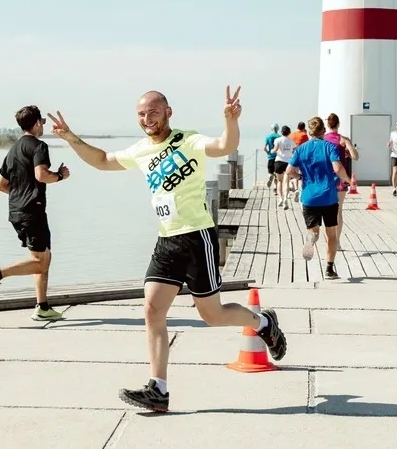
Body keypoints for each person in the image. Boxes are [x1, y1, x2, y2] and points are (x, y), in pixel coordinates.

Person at [48, 87, 287, 412]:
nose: (147, 119)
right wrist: (70, 138)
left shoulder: (187, 141)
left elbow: (225, 145)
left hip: (196, 236)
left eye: (153, 112)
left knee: (211, 315)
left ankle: (263, 324)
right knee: (152, 310)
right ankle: (158, 389)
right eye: (142, 115)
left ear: (168, 112)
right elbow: (102, 161)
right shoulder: (141, 150)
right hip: (166, 240)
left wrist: (230, 121)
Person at [0, 105, 70, 321]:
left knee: (43, 256)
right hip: (33, 211)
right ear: (38, 122)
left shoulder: (13, 149)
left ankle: (42, 306)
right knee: (41, 262)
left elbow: (0, 184)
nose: (44, 126)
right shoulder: (39, 146)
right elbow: (41, 175)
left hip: (17, 211)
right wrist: (60, 175)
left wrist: (20, 195)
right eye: (43, 122)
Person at [286, 116, 350, 280]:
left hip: (309, 197)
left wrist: (301, 177)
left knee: (314, 231)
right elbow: (337, 168)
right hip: (329, 197)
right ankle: (329, 268)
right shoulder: (329, 147)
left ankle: (311, 239)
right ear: (323, 131)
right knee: (332, 236)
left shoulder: (301, 149)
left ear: (309, 132)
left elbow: (289, 171)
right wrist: (347, 179)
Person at [323, 112, 359, 228]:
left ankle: (329, 239)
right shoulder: (343, 140)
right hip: (340, 177)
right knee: (338, 211)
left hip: (325, 178)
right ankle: (337, 242)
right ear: (338, 124)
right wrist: (350, 147)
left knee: (327, 210)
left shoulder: (322, 140)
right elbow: (355, 157)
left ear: (328, 125)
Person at [272, 125, 297, 207]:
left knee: (279, 181)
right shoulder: (291, 141)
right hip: (288, 163)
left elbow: (275, 149)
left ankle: (280, 198)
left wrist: (272, 151)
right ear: (289, 132)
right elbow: (295, 150)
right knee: (286, 182)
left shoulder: (277, 140)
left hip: (279, 162)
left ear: (281, 132)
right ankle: (286, 198)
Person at [263, 123, 281, 193]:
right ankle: (275, 189)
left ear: (271, 129)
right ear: (278, 129)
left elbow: (264, 148)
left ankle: (270, 175)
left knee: (271, 172)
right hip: (278, 158)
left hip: (270, 157)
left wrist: (268, 153)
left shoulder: (268, 137)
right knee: (277, 174)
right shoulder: (279, 137)